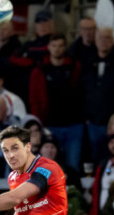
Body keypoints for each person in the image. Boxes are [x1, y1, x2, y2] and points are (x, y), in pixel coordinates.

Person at [29, 34, 83, 173]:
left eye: (60, 46)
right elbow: (34, 98)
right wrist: (39, 122)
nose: (57, 49)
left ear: (65, 47)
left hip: (74, 125)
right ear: (49, 47)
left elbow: (82, 91)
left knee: (72, 164)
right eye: (54, 46)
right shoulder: (40, 69)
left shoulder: (74, 66)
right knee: (49, 165)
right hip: (50, 125)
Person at [82, 27, 114, 162]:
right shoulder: (87, 62)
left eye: (107, 38)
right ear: (95, 40)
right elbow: (82, 90)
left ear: (113, 41)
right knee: (95, 158)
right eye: (100, 38)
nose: (103, 41)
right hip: (93, 122)